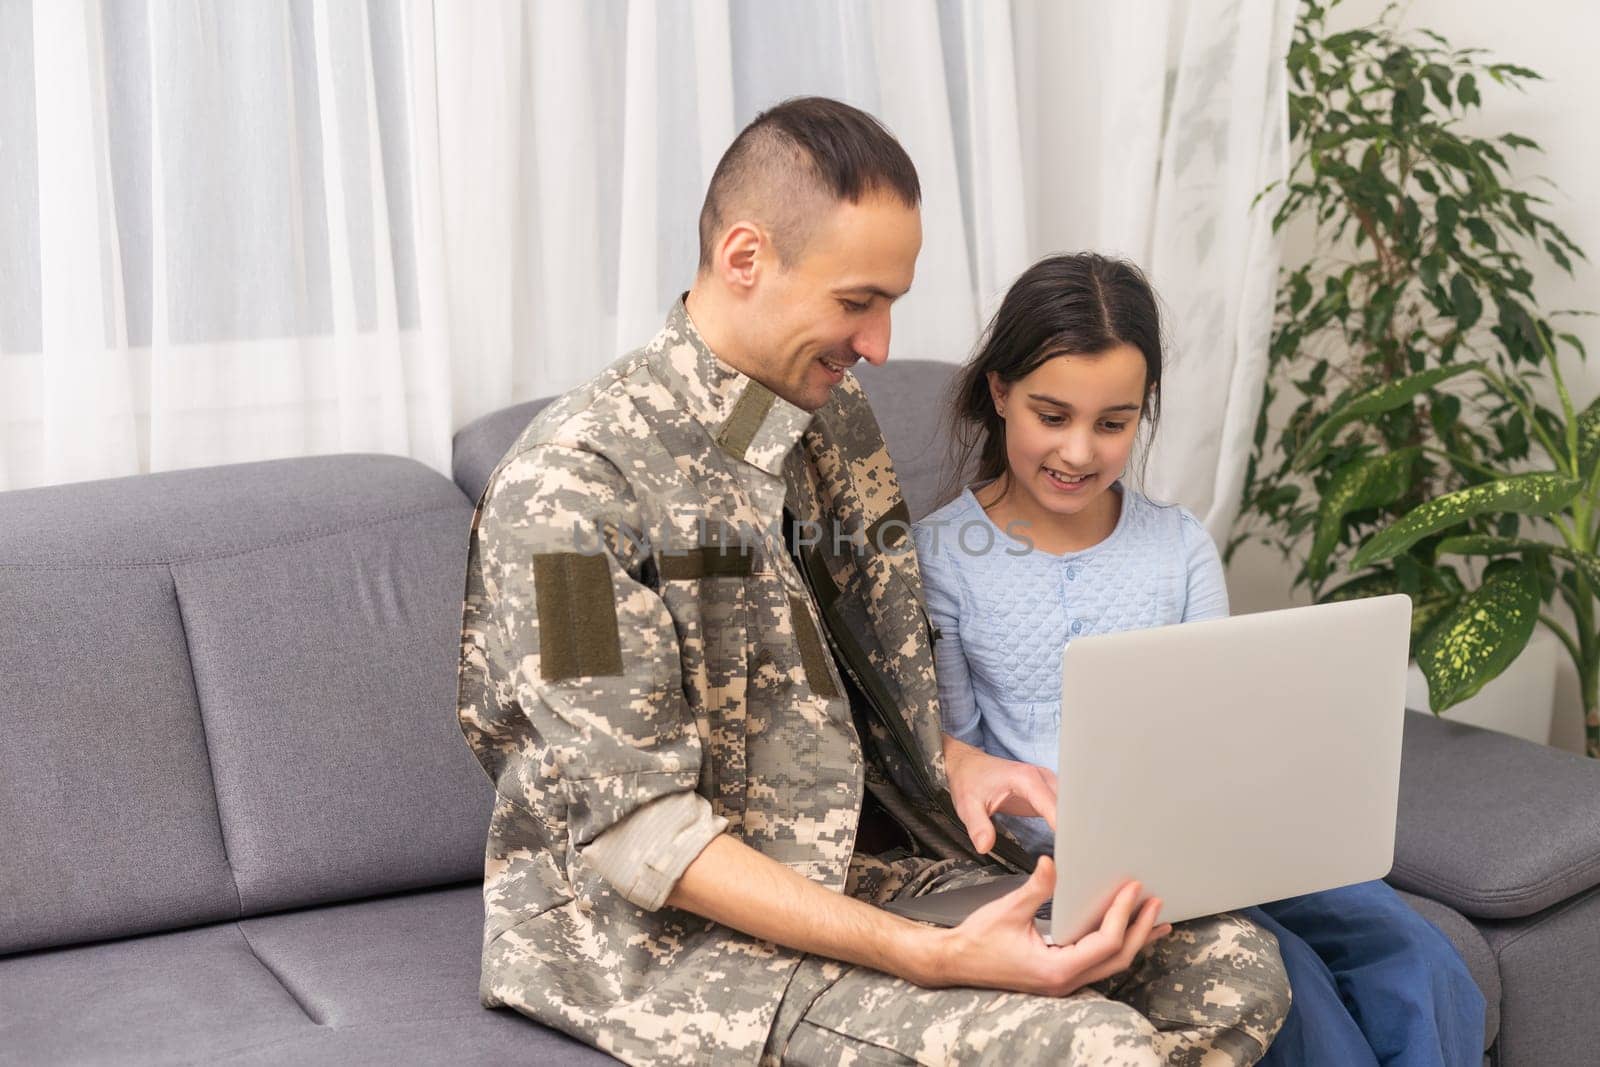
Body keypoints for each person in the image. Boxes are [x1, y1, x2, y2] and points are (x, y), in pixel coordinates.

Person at [456, 97, 1291, 1066]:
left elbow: (843, 684)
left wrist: (955, 759)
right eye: (858, 301)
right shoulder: (569, 490)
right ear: (744, 258)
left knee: (1237, 968)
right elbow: (642, 831)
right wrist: (929, 955)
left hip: (856, 865)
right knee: (1092, 1046)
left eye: (891, 301)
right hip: (663, 940)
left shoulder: (829, 418)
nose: (883, 343)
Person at [911, 252, 1486, 1066]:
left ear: (1141, 415)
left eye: (1112, 424)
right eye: (1052, 414)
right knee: (1299, 996)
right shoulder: (943, 556)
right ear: (1000, 392)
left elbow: (1229, 722)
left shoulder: (1177, 545)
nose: (1079, 450)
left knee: (1421, 958)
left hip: (1224, 839)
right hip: (1076, 866)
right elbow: (959, 767)